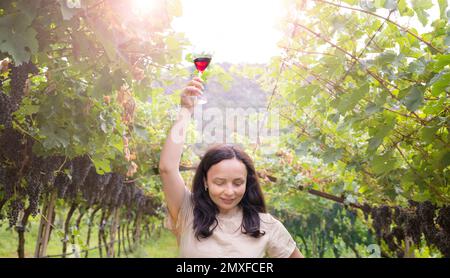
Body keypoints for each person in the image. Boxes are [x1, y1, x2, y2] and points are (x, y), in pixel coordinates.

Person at [159, 77, 304, 258]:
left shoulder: (266, 225)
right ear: (205, 181)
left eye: (237, 183)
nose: (229, 191)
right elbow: (167, 168)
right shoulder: (188, 211)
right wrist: (186, 110)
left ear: (247, 183)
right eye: (220, 182)